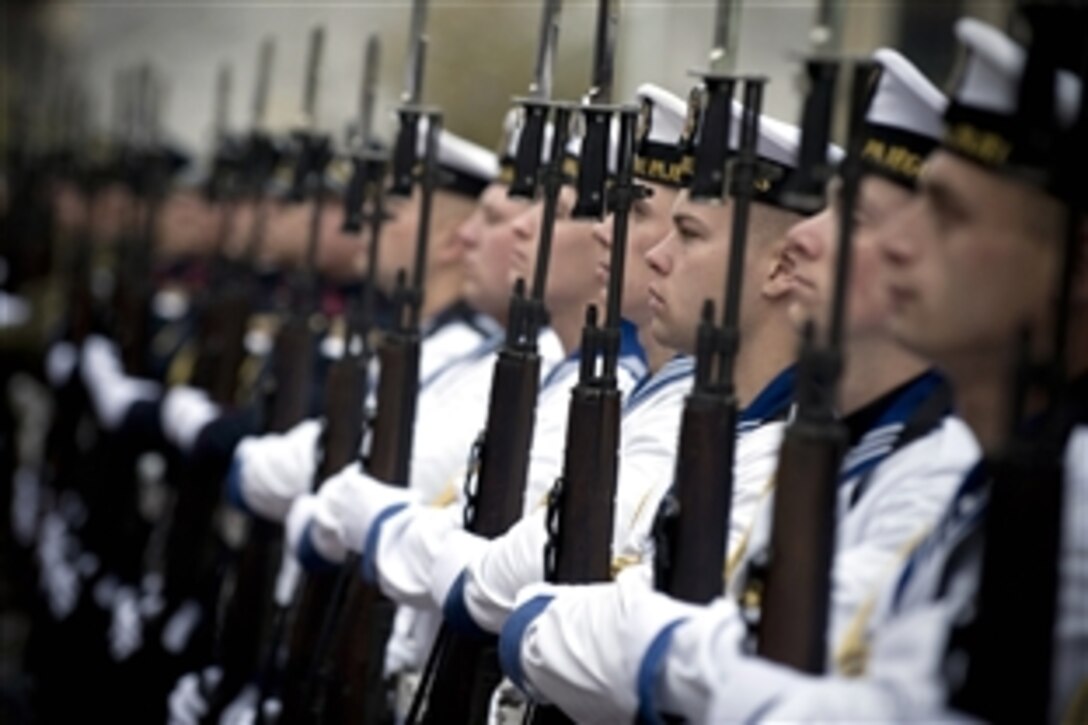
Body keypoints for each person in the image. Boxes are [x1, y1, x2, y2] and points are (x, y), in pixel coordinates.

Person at [497, 47, 986, 725]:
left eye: (856, 217)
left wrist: (546, 623)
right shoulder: (834, 449)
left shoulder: (929, 469)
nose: (810, 239)